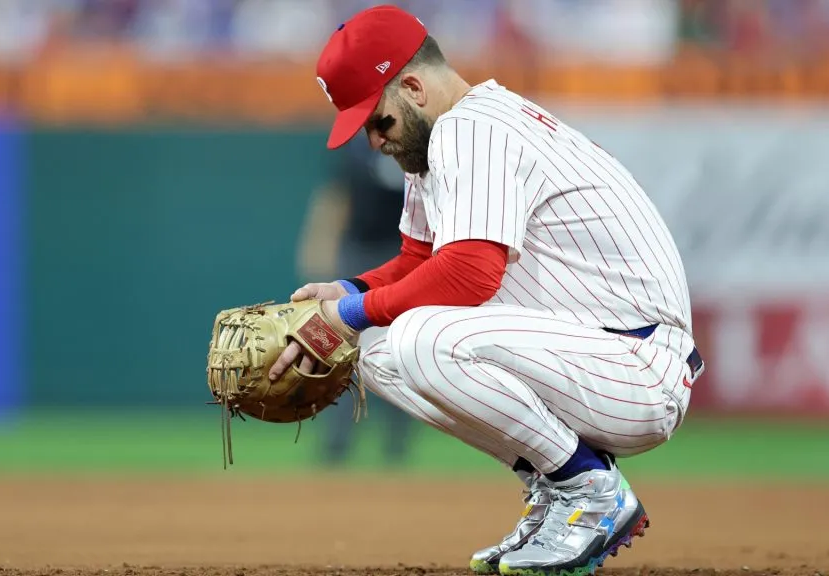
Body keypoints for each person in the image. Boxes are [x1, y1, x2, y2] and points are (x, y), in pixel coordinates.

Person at [270, 5, 704, 575]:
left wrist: (347, 313)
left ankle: (590, 492)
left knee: (420, 338)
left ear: (413, 86)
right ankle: (560, 490)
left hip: (638, 366)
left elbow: (470, 274)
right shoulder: (439, 142)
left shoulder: (473, 128)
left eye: (379, 122)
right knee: (372, 345)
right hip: (589, 353)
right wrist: (345, 292)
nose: (374, 141)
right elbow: (419, 261)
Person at [296, 132, 414, 467]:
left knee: (400, 350)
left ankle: (396, 445)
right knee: (339, 350)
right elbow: (335, 197)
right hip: (358, 251)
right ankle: (336, 443)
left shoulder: (411, 142)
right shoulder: (355, 148)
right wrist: (319, 244)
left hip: (401, 253)